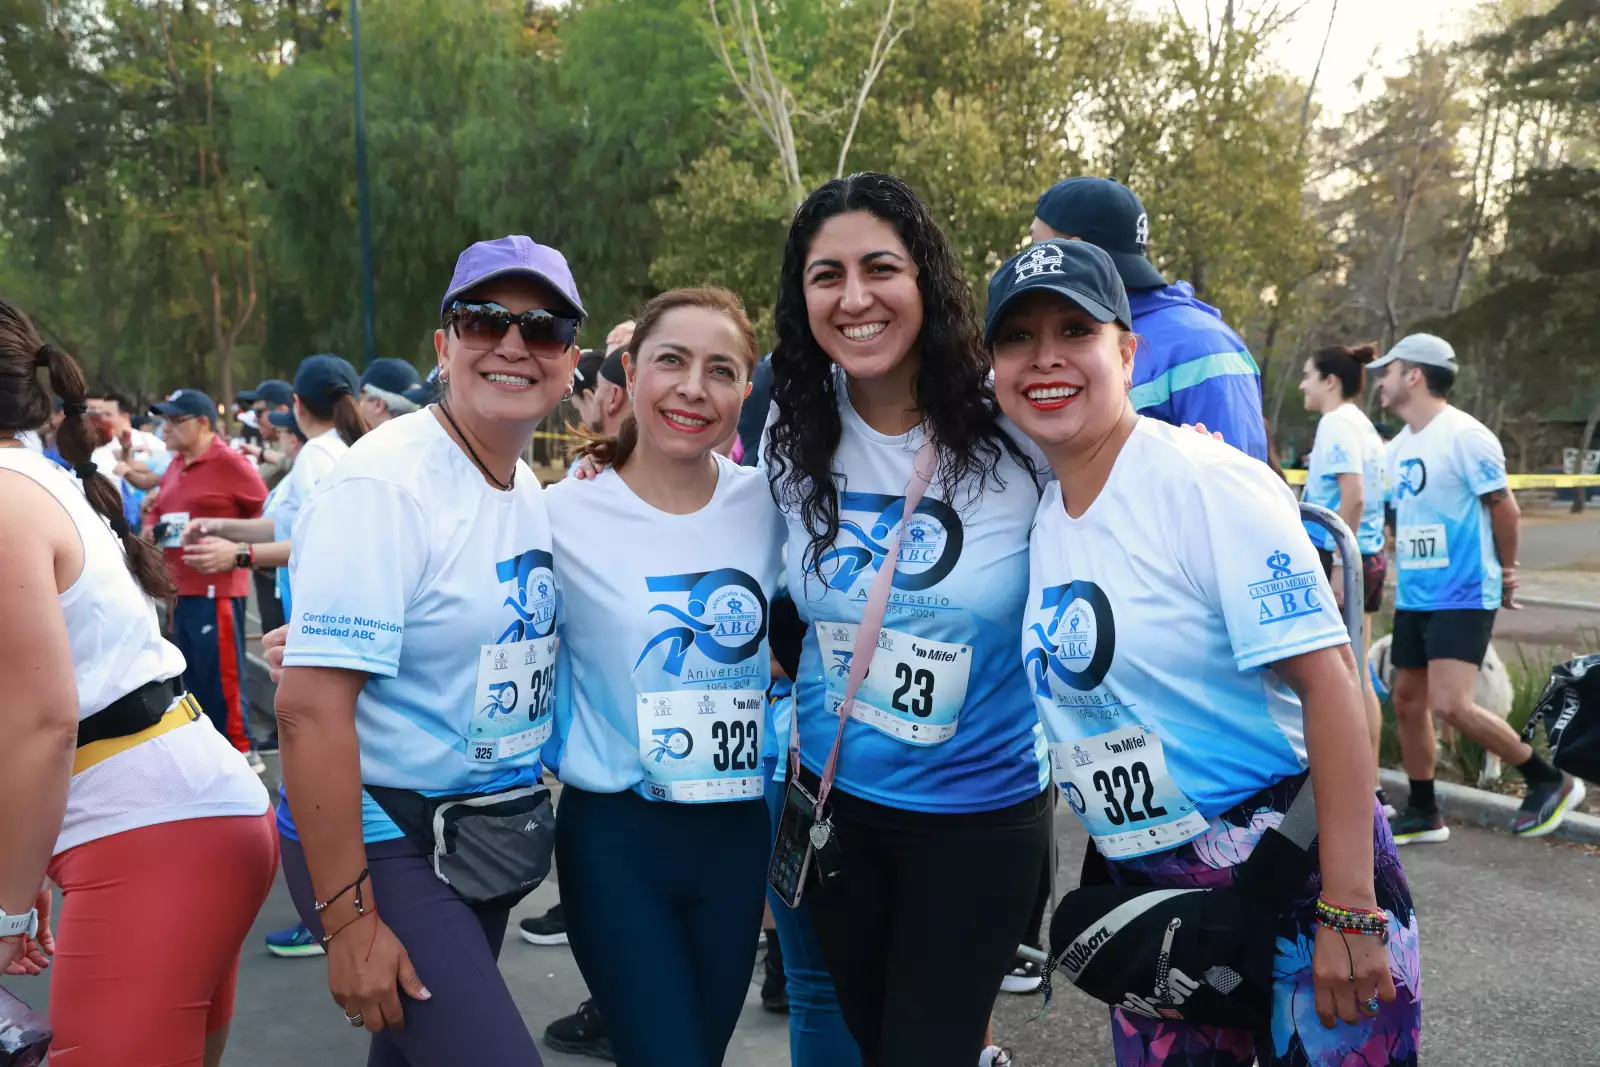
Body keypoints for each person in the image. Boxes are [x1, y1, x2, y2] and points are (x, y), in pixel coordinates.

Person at [987, 239, 1420, 1066]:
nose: (1045, 357)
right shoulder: (1045, 514)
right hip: (1156, 905)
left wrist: (1351, 905)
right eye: (1017, 338)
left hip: (1296, 877)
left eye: (1075, 330)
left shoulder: (1201, 481)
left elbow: (1333, 687)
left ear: (1125, 350)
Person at [266, 234, 581, 1065]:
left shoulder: (523, 486)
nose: (514, 343)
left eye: (543, 328)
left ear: (570, 360)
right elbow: (307, 710)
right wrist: (349, 920)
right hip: (383, 832)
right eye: (485, 320)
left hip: (476, 837)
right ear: (443, 346)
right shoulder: (388, 482)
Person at [763, 172, 1053, 1067]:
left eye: (880, 267)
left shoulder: (1017, 431)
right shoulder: (791, 423)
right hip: (833, 809)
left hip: (977, 819)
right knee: (871, 1039)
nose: (854, 298)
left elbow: (1126, 478)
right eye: (826, 275)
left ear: (925, 278)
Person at [0, 299, 276, 1067]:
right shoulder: (33, 481)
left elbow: (44, 722)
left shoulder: (5, 498)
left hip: (152, 831)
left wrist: (7, 906)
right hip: (174, 817)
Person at [541, 287, 782, 1066]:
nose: (692, 387)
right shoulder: (559, 513)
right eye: (671, 361)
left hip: (737, 838)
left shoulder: (773, 506)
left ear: (745, 391)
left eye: (721, 370)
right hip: (617, 837)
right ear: (630, 373)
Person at [1372, 334, 1585, 842]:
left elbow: (1505, 509)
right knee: (1407, 701)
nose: (1382, 380)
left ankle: (1547, 780)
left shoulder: (1466, 435)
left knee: (1450, 704)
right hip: (1417, 596)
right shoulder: (1398, 446)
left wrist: (1508, 572)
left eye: (1390, 370)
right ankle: (1424, 810)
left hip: (1464, 592)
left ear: (1415, 375)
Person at [1030, 177, 1268, 461]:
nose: (1028, 259)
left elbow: (1240, 490)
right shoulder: (1066, 338)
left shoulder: (1203, 345)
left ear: (1075, 249)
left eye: (1035, 244)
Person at [148, 387, 270, 770]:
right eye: (163, 420)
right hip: (180, 588)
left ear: (203, 423)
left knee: (223, 681)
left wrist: (230, 545)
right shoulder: (176, 463)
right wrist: (152, 527)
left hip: (217, 590)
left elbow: (268, 518)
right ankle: (209, 758)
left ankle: (241, 752)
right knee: (192, 680)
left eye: (174, 420)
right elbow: (162, 511)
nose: (164, 429)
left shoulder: (230, 462)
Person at [1299, 344, 1389, 789]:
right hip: (1366, 556)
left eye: (1307, 375)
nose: (1302, 384)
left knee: (1339, 677)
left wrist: (1338, 564)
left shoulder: (1337, 424)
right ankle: (1368, 784)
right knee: (1359, 675)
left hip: (1341, 557)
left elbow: (1353, 496)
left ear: (1329, 381)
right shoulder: (1362, 425)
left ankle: (1354, 789)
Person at [360, 358, 423, 427]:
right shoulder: (426, 436)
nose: (359, 403)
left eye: (362, 396)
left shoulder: (373, 437)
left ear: (378, 405)